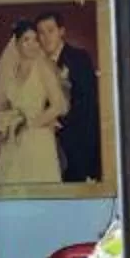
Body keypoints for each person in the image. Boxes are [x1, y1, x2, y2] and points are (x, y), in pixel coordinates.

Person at [0, 20, 66, 185]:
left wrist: (29, 122)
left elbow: (59, 105)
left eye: (35, 39)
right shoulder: (12, 72)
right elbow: (4, 106)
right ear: (16, 44)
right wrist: (6, 121)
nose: (32, 44)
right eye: (26, 40)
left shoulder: (43, 67)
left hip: (39, 139)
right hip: (14, 141)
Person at [41, 14, 102, 184]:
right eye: (41, 33)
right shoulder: (37, 63)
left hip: (78, 142)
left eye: (50, 31)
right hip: (46, 142)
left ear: (61, 32)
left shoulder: (79, 58)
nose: (46, 38)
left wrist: (58, 121)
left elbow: (87, 100)